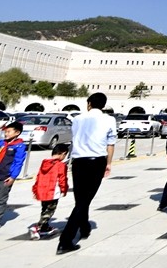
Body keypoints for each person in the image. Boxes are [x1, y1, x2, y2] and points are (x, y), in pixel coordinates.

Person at [57, 92, 117, 255]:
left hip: (78, 162)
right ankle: (66, 240)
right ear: (103, 105)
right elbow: (110, 143)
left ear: (89, 103)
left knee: (81, 197)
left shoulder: (77, 119)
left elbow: (76, 137)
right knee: (84, 200)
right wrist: (109, 163)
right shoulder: (109, 120)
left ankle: (84, 227)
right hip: (96, 161)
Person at [29, 142, 69, 239]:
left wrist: (35, 190)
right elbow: (62, 178)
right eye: (65, 155)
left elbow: (38, 177)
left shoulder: (44, 162)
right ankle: (37, 227)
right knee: (49, 211)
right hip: (52, 192)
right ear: (63, 154)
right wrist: (64, 189)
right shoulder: (60, 165)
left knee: (44, 209)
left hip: (42, 191)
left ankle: (45, 228)